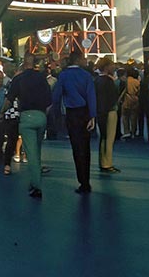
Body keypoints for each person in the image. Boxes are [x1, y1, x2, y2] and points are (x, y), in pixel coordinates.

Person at [51, 50, 97, 194]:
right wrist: (92, 116)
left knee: (76, 147)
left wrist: (56, 115)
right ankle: (87, 180)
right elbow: (91, 96)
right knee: (86, 147)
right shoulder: (86, 75)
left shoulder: (63, 76)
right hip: (85, 112)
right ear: (78, 60)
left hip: (72, 113)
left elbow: (57, 96)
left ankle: (81, 181)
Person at [6, 55, 51, 199]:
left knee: (31, 153)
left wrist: (1, 113)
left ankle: (37, 186)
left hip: (26, 117)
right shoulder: (42, 78)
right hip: (41, 116)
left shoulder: (18, 79)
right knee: (37, 149)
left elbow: (9, 99)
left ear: (24, 64)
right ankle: (34, 180)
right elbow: (49, 99)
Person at [94, 57, 121, 174]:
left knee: (103, 137)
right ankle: (107, 163)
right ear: (106, 67)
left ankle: (102, 161)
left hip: (100, 111)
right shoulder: (109, 81)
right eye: (111, 65)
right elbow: (113, 97)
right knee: (109, 138)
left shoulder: (97, 81)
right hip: (110, 111)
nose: (114, 67)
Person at [120, 68, 140, 139]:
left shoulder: (125, 80)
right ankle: (133, 132)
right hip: (135, 99)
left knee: (125, 116)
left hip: (126, 99)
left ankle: (126, 131)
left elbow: (123, 90)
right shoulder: (137, 81)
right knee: (133, 116)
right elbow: (139, 91)